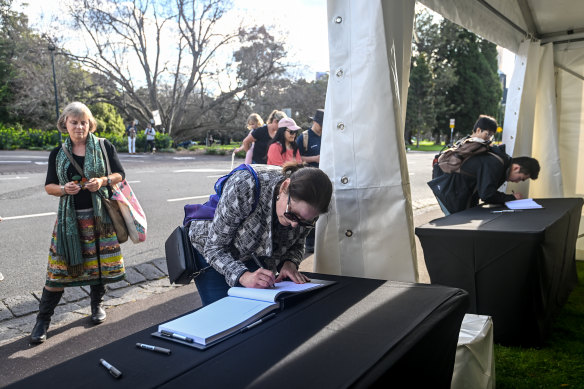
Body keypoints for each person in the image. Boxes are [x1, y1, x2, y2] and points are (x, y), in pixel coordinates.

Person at [31, 102, 126, 344]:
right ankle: (42, 320)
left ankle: (97, 305)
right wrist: (64, 188)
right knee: (57, 271)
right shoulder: (58, 153)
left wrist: (103, 181)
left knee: (99, 266)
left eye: (84, 122)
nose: (79, 127)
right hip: (69, 221)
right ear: (65, 124)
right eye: (74, 122)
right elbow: (49, 187)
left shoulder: (104, 146)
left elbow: (120, 175)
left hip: (100, 218)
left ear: (90, 123)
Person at [188, 162, 333, 306]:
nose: (295, 225)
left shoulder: (310, 210)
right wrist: (243, 276)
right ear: (284, 187)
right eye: (293, 215)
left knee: (256, 311)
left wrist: (290, 262)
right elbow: (214, 248)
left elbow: (297, 241)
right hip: (214, 251)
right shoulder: (245, 184)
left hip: (254, 254)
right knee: (220, 312)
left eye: (304, 221)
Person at [430, 144, 540, 215]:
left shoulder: (502, 163)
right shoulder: (496, 164)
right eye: (520, 179)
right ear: (516, 168)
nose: (517, 182)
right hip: (448, 188)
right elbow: (487, 194)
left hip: (460, 189)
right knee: (454, 224)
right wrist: (512, 197)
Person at [297, 109, 324, 253]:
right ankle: (309, 242)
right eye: (321, 124)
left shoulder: (327, 135)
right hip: (309, 177)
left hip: (324, 177)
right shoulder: (304, 137)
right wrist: (314, 159)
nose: (322, 126)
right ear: (314, 122)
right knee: (308, 210)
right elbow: (297, 157)